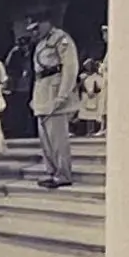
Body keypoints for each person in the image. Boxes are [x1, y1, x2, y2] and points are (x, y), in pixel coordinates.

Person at [27, 14, 84, 191]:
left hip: (55, 92)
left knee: (58, 139)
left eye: (37, 27)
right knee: (45, 139)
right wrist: (34, 98)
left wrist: (63, 94)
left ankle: (63, 174)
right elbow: (38, 74)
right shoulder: (41, 44)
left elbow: (70, 67)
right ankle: (52, 172)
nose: (35, 32)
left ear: (47, 23)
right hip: (42, 94)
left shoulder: (61, 39)